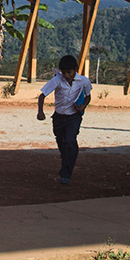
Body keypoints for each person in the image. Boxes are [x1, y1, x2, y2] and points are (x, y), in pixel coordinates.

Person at [36, 54, 92, 185]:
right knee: (61, 142)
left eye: (69, 72)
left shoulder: (84, 81)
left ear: (75, 69)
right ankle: (67, 157)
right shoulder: (57, 80)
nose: (66, 75)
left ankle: (66, 172)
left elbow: (88, 96)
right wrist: (40, 111)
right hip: (59, 117)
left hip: (74, 117)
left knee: (70, 140)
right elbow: (42, 95)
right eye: (64, 72)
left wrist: (83, 106)